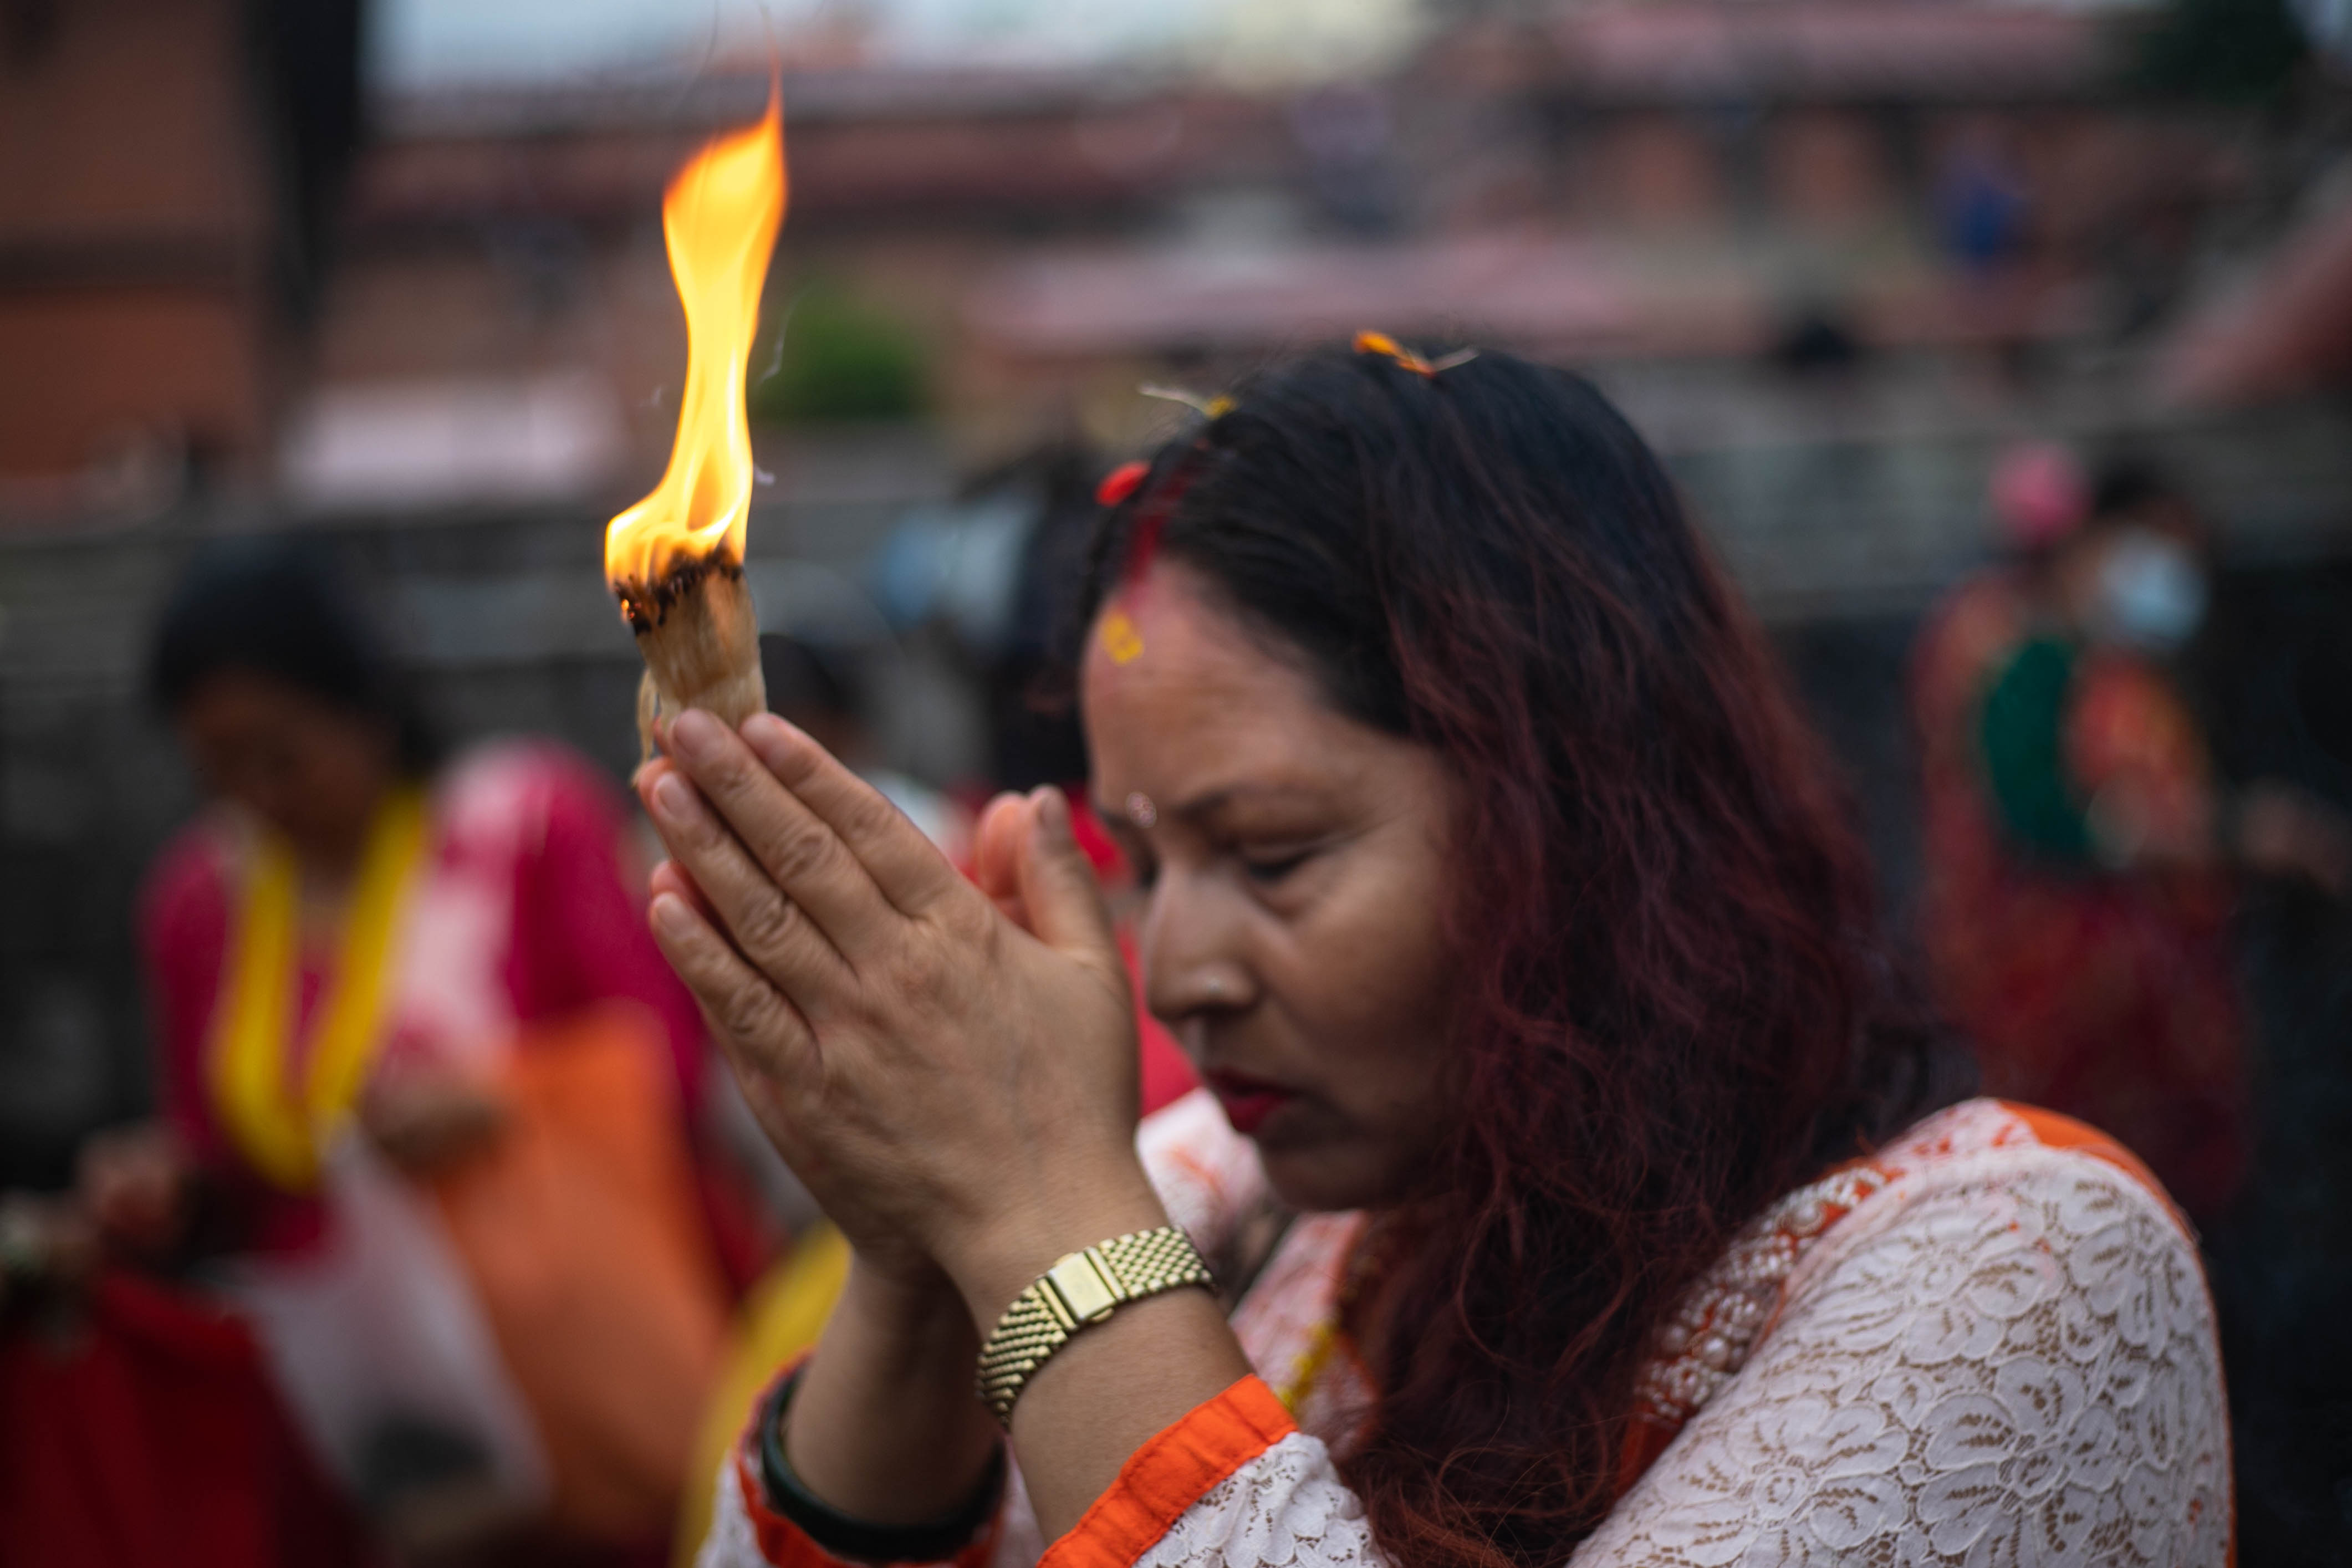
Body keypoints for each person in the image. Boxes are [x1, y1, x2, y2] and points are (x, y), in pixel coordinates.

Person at [650, 343, 2231, 1567]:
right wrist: (919, 1257)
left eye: (1270, 852)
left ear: (1579, 814)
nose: (1180, 966)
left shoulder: (2022, 1265)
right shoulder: (1222, 1195)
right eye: (1148, 860)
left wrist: (1036, 1210)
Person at [81, 539, 731, 1557]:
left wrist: (500, 1100)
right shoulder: (197, 900)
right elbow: (219, 1159)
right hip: (351, 1423)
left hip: (573, 1376)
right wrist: (163, 1184)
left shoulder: (523, 824)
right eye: (217, 769)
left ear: (364, 709)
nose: (259, 796)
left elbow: (665, 1062)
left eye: (280, 754)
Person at [1915, 458, 2349, 1222]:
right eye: (2151, 544)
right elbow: (2046, 817)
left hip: (2145, 1034)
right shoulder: (2021, 657)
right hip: (2056, 1018)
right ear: (2091, 540)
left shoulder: (2118, 670)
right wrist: (2229, 834)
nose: (2169, 573)